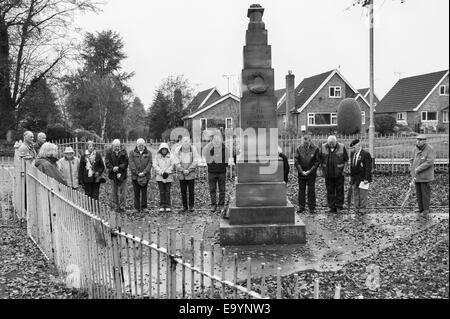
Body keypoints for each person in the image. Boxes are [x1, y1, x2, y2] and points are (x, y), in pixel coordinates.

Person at [319, 135, 349, 213]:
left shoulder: (342, 147)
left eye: (333, 143)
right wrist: (321, 171)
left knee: (340, 190)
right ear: (327, 142)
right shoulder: (323, 147)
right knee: (330, 190)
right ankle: (331, 207)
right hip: (328, 173)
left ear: (336, 142)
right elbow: (320, 160)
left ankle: (339, 206)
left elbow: (346, 160)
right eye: (330, 143)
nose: (331, 145)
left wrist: (345, 170)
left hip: (339, 173)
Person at [294, 134, 320, 213]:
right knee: (301, 190)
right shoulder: (298, 149)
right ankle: (301, 207)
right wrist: (301, 171)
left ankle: (311, 207)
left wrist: (310, 171)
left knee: (311, 190)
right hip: (301, 173)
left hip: (311, 173)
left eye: (306, 142)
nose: (305, 144)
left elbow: (317, 161)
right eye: (304, 142)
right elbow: (296, 161)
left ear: (310, 141)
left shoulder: (315, 149)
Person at [410, 134, 435, 214]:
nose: (418, 141)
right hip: (416, 175)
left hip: (425, 175)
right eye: (417, 140)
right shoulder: (415, 149)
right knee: (418, 193)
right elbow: (411, 159)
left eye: (420, 140)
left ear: (424, 141)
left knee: (425, 193)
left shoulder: (429, 149)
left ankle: (426, 209)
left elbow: (429, 162)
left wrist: (418, 168)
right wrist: (412, 168)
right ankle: (421, 208)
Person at [173, 136, 199, 213]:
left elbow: (195, 160)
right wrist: (182, 169)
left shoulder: (193, 149)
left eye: (187, 141)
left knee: (191, 191)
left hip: (191, 173)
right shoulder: (178, 149)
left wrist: (189, 169)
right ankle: (184, 206)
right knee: (183, 191)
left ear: (190, 142)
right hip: (182, 174)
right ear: (182, 142)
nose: (186, 143)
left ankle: (191, 206)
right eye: (184, 142)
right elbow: (176, 161)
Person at [204, 135, 229, 213]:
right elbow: (207, 159)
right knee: (212, 189)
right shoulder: (209, 149)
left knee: (222, 190)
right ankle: (213, 205)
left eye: (218, 140)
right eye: (215, 140)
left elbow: (226, 160)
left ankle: (221, 205)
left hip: (222, 172)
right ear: (213, 141)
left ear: (221, 140)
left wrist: (221, 166)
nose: (217, 142)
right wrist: (212, 166)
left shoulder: (225, 149)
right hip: (211, 172)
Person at [349, 139, 372, 214]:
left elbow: (368, 167)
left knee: (362, 194)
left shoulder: (366, 154)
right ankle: (357, 207)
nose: (353, 149)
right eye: (352, 148)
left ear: (358, 146)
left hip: (363, 178)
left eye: (354, 147)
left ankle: (362, 208)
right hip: (355, 177)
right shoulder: (353, 154)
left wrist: (366, 178)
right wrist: (351, 177)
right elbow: (352, 166)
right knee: (356, 193)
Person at [105, 139, 129, 212]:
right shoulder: (109, 152)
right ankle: (116, 206)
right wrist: (113, 168)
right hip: (113, 174)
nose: (117, 148)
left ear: (120, 145)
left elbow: (126, 162)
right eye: (115, 146)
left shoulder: (124, 152)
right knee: (114, 191)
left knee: (123, 191)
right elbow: (107, 162)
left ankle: (122, 206)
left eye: (118, 146)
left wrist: (119, 168)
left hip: (122, 174)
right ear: (113, 146)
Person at [129, 138, 152, 212]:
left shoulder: (149, 153)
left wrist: (144, 172)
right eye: (139, 145)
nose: (140, 146)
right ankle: (137, 208)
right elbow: (131, 163)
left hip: (145, 176)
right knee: (136, 192)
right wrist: (137, 173)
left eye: (142, 145)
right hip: (135, 176)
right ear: (137, 145)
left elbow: (150, 163)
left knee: (144, 192)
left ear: (144, 145)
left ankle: (144, 207)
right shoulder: (132, 153)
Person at [153, 142, 175, 212]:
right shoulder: (157, 156)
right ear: (160, 149)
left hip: (168, 176)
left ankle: (168, 205)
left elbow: (173, 165)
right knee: (162, 191)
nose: (164, 150)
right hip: (160, 176)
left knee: (167, 191)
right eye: (162, 149)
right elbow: (155, 165)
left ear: (167, 149)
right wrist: (161, 172)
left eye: (165, 149)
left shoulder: (171, 156)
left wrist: (167, 172)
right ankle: (162, 205)